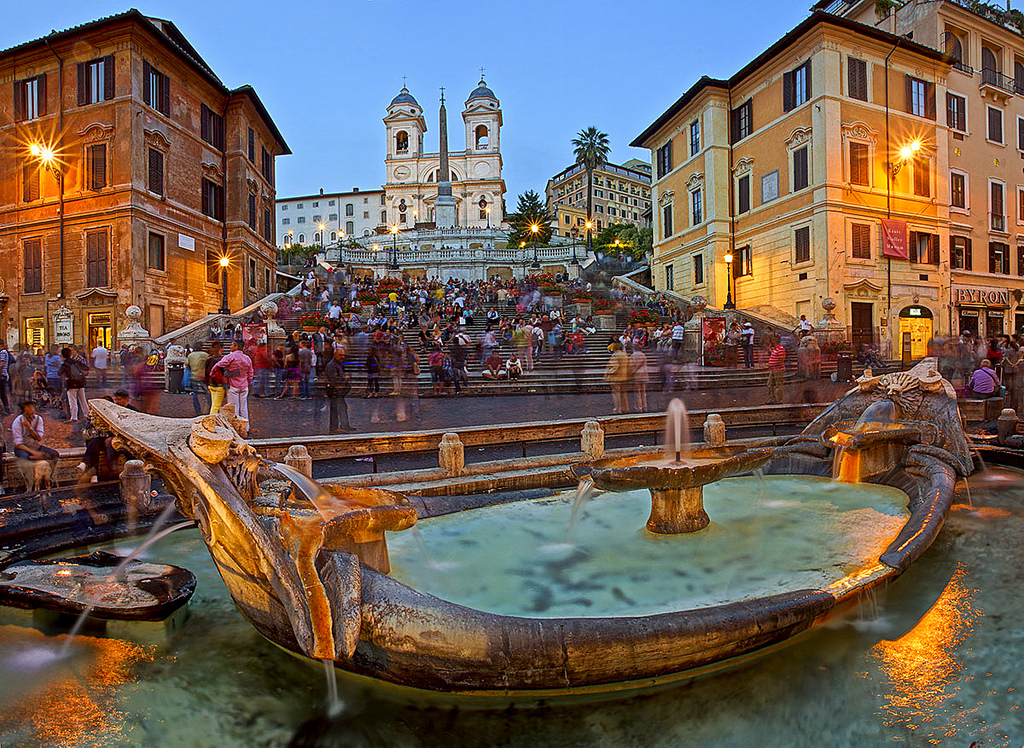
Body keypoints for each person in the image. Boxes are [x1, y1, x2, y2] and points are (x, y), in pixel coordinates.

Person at [12, 400, 59, 476]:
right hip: (22, 448)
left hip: (34, 445)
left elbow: (39, 438)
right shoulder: (17, 421)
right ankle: (30, 480)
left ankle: (48, 477)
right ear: (24, 411)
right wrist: (33, 453)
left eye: (32, 408)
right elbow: (18, 443)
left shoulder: (38, 419)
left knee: (54, 454)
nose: (31, 410)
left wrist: (30, 427)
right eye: (28, 408)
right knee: (25, 457)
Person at [211, 340, 254, 421]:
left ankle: (235, 425)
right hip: (244, 385)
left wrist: (212, 373)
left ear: (236, 346)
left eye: (231, 345)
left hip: (233, 385)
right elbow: (250, 372)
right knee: (244, 407)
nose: (230, 347)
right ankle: (245, 426)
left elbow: (219, 365)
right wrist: (248, 383)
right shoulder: (247, 358)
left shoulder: (230, 357)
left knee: (234, 407)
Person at [325, 346, 355, 433]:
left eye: (343, 355)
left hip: (339, 390)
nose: (343, 357)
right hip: (334, 390)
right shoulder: (332, 365)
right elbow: (334, 378)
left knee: (342, 407)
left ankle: (345, 425)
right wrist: (344, 379)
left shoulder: (337, 364)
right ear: (335, 355)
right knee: (335, 408)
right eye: (340, 355)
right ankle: (334, 427)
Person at [59, 347, 90, 422]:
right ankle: (87, 415)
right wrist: (81, 375)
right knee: (83, 401)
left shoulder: (65, 364)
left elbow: (59, 373)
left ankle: (74, 417)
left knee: (72, 402)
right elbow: (86, 368)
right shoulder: (76, 362)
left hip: (71, 384)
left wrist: (65, 379)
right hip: (80, 383)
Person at [604, 341, 631, 414]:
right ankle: (625, 408)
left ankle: (617, 409)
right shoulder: (624, 355)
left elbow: (615, 367)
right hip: (624, 377)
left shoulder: (615, 355)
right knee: (623, 394)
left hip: (616, 377)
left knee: (616, 394)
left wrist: (608, 372)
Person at [187, 346, 210, 416]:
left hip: (193, 376)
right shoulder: (205, 355)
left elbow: (187, 365)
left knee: (195, 393)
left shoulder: (190, 355)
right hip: (203, 376)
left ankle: (197, 408)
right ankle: (208, 406)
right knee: (207, 392)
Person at [205, 342, 226, 414]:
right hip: (219, 384)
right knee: (216, 407)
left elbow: (206, 372)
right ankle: (212, 421)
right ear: (220, 349)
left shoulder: (209, 359)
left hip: (211, 384)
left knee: (214, 404)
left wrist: (207, 384)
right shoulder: (222, 360)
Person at [766, 335, 786, 404]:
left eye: (772, 340)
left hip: (778, 369)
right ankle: (772, 399)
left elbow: (782, 359)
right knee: (770, 384)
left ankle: (779, 400)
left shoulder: (780, 348)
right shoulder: (775, 348)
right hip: (772, 369)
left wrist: (773, 364)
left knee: (778, 385)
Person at [630, 345, 649, 413]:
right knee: (643, 393)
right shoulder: (643, 355)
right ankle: (645, 407)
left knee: (637, 393)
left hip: (637, 375)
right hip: (644, 375)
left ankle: (639, 408)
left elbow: (632, 366)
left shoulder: (633, 355)